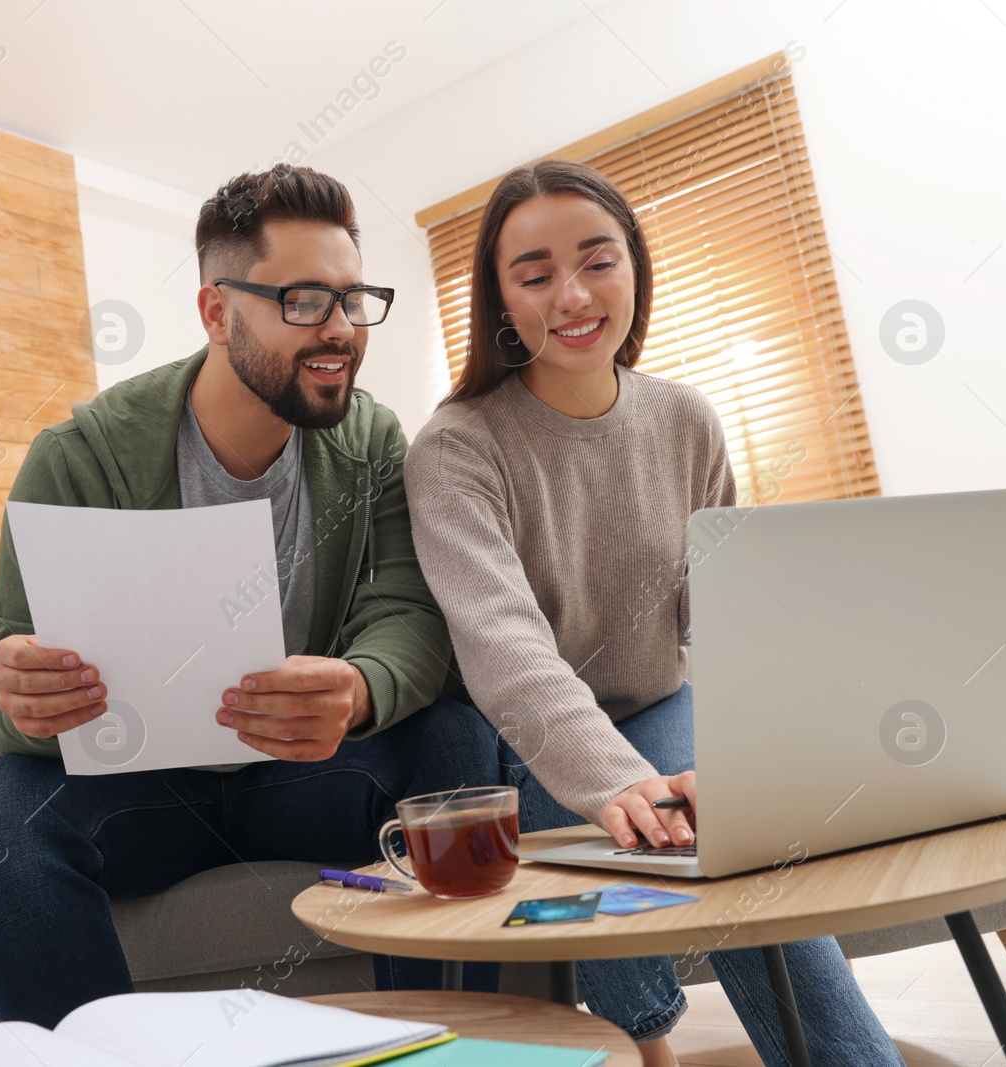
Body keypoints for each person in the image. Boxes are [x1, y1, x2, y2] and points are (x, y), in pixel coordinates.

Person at [0, 164, 515, 1028]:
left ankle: (449, 1046)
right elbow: (1, 686)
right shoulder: (77, 456)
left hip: (309, 776)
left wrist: (357, 690)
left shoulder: (373, 441)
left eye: (355, 301)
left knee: (454, 743)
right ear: (216, 310)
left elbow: (409, 612)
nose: (341, 331)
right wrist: (24, 699)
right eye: (305, 300)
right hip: (148, 796)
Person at [402, 158, 905, 1066]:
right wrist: (618, 781)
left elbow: (724, 616)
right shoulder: (455, 446)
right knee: (648, 827)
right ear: (499, 298)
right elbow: (502, 643)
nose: (573, 294)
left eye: (599, 259)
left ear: (636, 264)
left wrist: (788, 738)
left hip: (657, 700)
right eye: (535, 273)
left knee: (743, 854)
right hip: (515, 731)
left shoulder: (687, 420)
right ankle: (643, 1033)